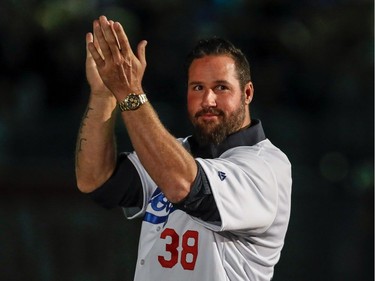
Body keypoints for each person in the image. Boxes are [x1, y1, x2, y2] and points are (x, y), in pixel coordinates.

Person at [75, 15, 292, 281]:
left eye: (221, 87)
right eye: (197, 87)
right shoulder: (175, 153)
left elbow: (185, 186)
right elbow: (95, 180)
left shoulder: (267, 166)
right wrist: (103, 94)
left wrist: (128, 91)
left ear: (247, 93)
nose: (207, 99)